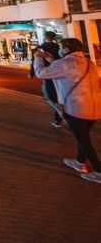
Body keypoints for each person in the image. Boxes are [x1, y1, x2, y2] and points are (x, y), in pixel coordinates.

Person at [34, 38, 101, 184]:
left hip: (76, 108)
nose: (60, 50)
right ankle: (79, 162)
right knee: (82, 137)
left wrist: (38, 59)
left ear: (66, 49)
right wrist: (52, 60)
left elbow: (42, 73)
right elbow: (69, 71)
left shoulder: (63, 63)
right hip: (95, 108)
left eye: (61, 48)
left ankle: (98, 171)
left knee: (84, 141)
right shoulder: (89, 63)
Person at [30, 31, 63, 128]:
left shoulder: (41, 48)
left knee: (48, 97)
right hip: (59, 73)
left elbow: (34, 61)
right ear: (54, 38)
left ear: (45, 37)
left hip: (47, 74)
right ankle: (57, 120)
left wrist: (32, 72)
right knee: (58, 97)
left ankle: (60, 113)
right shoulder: (58, 47)